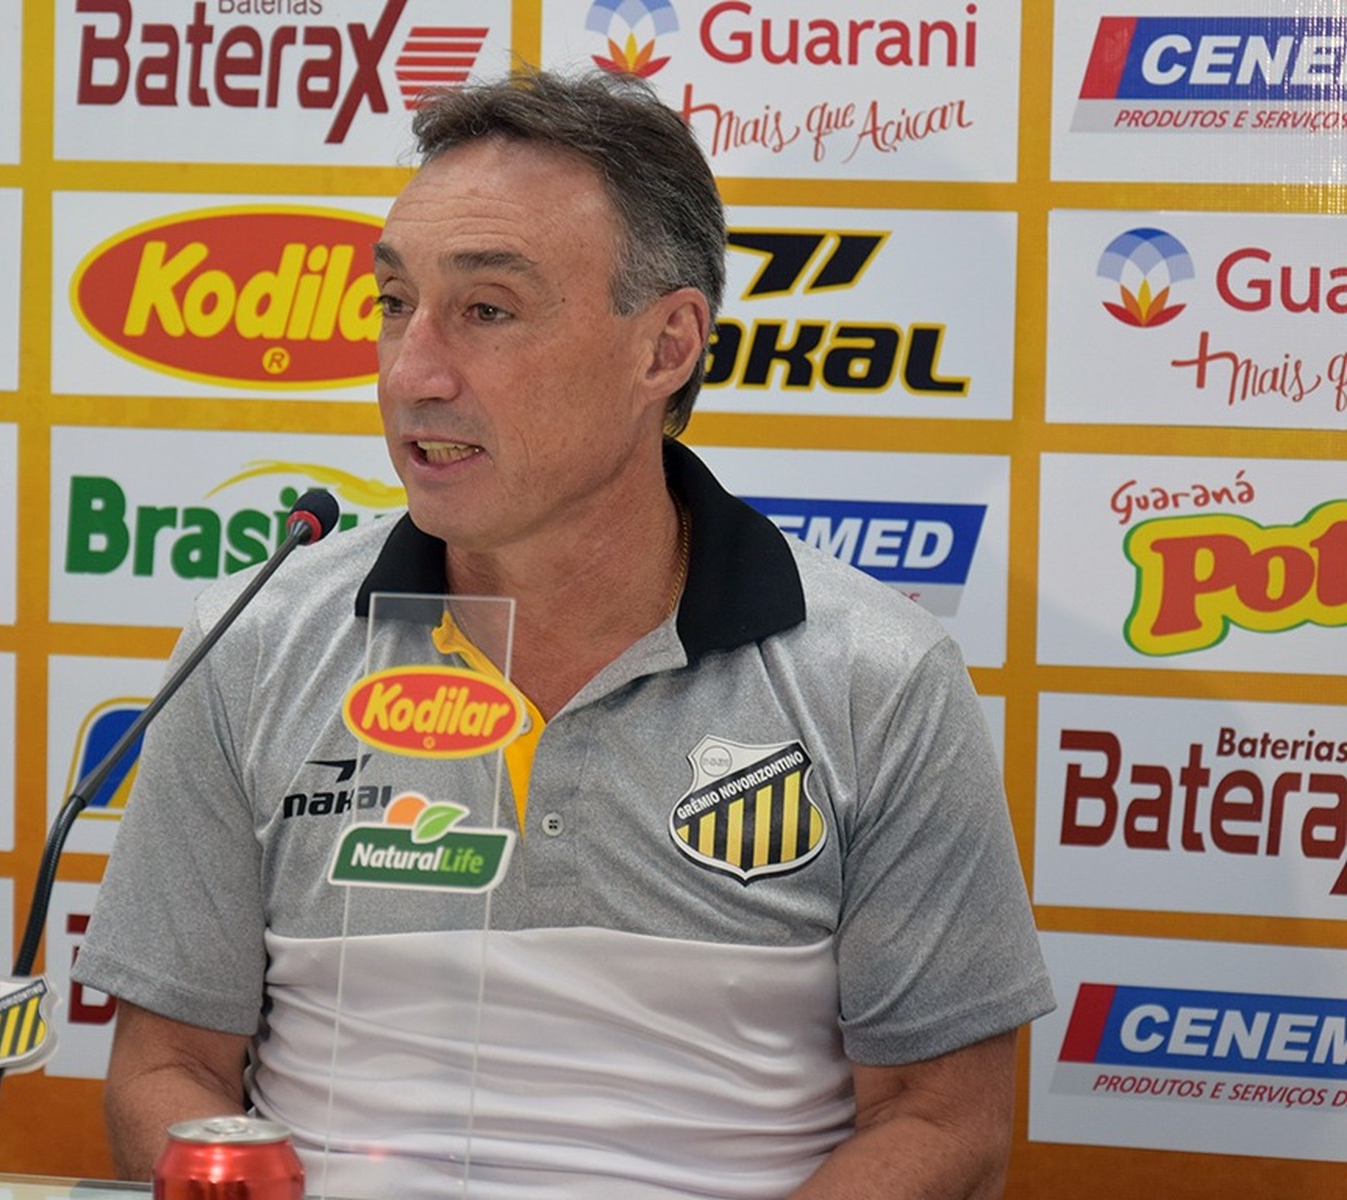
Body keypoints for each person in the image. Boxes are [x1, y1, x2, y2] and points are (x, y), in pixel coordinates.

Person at [73, 68, 1053, 1198]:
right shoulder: (254, 641)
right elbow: (166, 1069)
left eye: (487, 310)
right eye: (394, 302)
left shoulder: (875, 674)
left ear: (665, 347)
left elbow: (943, 1121)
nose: (410, 372)